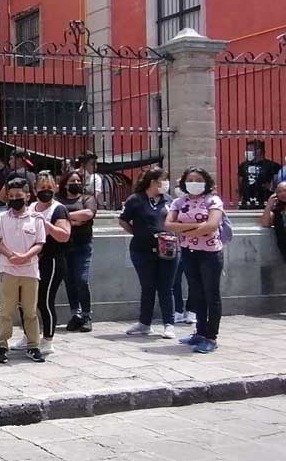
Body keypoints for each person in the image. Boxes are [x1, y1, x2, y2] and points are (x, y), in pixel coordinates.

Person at [165, 167, 225, 354]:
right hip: (189, 251)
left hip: (210, 253)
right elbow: (168, 224)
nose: (194, 182)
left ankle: (211, 336)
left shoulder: (213, 201)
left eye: (198, 179)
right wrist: (198, 226)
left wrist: (184, 228)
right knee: (196, 292)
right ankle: (199, 332)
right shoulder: (178, 202)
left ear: (206, 182)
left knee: (211, 294)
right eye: (190, 179)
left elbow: (212, 225)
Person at [0, 177, 47, 364]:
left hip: (30, 271)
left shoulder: (36, 219)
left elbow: (40, 243)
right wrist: (9, 255)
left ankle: (33, 345)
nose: (15, 198)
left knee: (30, 310)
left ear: (27, 196)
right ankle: (2, 345)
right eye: (11, 196)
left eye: (19, 195)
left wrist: (25, 257)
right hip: (9, 270)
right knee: (6, 310)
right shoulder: (1, 218)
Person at [119, 167, 177, 340]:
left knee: (166, 287)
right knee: (148, 286)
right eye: (163, 180)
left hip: (167, 250)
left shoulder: (168, 200)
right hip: (142, 250)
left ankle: (169, 323)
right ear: (153, 182)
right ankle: (145, 323)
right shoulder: (136, 200)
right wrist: (139, 232)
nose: (165, 184)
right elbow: (123, 221)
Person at [21, 173, 70, 355]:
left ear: (55, 188)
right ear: (35, 191)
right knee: (25, 300)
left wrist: (46, 224)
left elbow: (64, 236)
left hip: (52, 261)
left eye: (49, 189)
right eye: (42, 189)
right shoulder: (31, 207)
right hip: (32, 260)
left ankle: (48, 339)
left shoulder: (59, 210)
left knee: (45, 300)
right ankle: (29, 335)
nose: (46, 192)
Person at [57, 170, 98, 332]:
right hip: (64, 245)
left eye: (78, 181)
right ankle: (76, 314)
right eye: (72, 181)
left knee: (82, 279)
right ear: (65, 184)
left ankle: (87, 315)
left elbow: (88, 214)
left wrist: (66, 218)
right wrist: (74, 220)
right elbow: (54, 217)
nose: (75, 184)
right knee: (69, 281)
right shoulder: (58, 200)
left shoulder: (87, 198)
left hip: (83, 245)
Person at [238, 140, 280, 209]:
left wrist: (269, 186)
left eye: (250, 150)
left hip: (265, 201)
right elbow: (240, 183)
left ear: (259, 150)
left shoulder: (272, 165)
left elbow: (276, 184)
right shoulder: (243, 165)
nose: (248, 152)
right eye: (247, 150)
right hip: (247, 202)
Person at [261, 181, 286, 261]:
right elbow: (265, 223)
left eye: (285, 190)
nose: (282, 194)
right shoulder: (276, 210)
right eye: (279, 191)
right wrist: (269, 205)